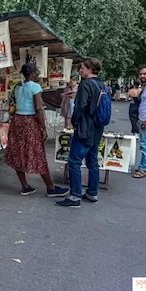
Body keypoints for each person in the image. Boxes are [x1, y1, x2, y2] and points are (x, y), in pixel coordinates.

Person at [5, 63, 69, 197]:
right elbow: (38, 109)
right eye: (37, 71)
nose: (38, 73)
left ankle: (25, 186)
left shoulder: (17, 87)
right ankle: (50, 188)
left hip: (17, 122)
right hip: (30, 122)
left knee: (18, 153)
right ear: (33, 73)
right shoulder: (35, 87)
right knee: (38, 153)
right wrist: (43, 128)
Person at [56, 58, 107, 208]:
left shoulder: (86, 84)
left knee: (74, 161)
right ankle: (92, 192)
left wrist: (75, 121)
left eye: (82, 68)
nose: (80, 70)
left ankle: (75, 196)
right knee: (92, 161)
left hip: (85, 127)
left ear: (90, 68)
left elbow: (80, 107)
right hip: (97, 128)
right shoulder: (101, 84)